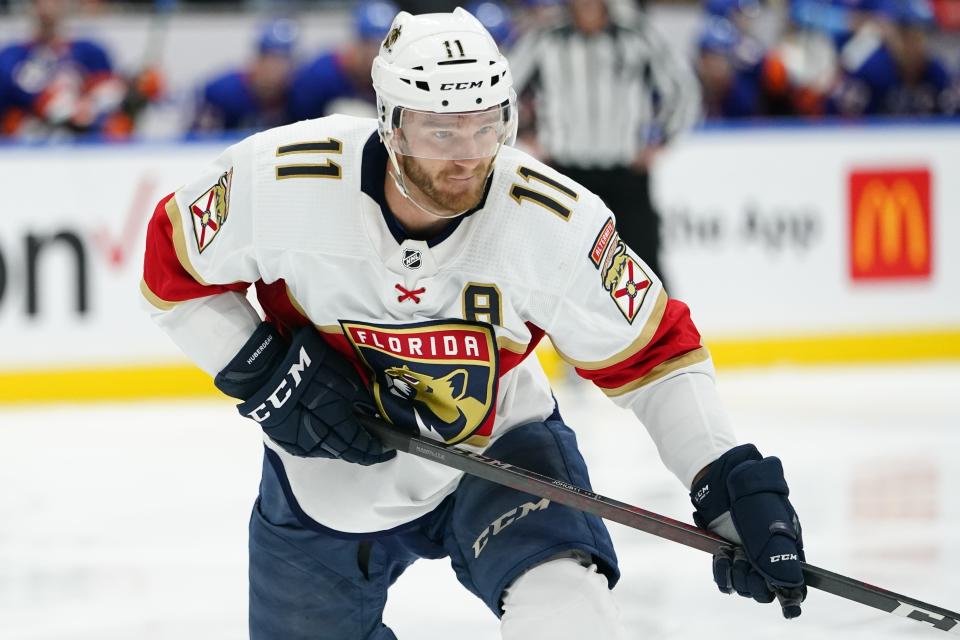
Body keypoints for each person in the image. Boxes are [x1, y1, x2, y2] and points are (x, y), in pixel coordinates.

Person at [141, 8, 806, 639]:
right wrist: (266, 373)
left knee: (567, 616)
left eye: (485, 126)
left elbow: (657, 355)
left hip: (501, 452)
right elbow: (169, 264)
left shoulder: (552, 221)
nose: (468, 156)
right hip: (323, 475)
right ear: (390, 124)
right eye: (441, 131)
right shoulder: (284, 179)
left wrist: (728, 480)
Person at [507, 0, 701, 285]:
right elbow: (504, 86)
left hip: (626, 171)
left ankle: (659, 330)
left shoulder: (636, 35)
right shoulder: (545, 37)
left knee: (644, 263)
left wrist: (661, 140)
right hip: (566, 173)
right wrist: (524, 134)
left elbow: (683, 90)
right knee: (560, 267)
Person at [0, 0, 132, 139]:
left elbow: (111, 97)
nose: (47, 8)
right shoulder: (12, 56)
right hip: (29, 147)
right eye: (39, 2)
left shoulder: (90, 51)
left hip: (86, 146)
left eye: (54, 2)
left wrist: (87, 107)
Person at [287, 0, 399, 121]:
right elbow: (295, 126)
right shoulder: (318, 76)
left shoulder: (397, 77)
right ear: (355, 42)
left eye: (384, 46)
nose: (374, 52)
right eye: (368, 43)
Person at [190, 18, 299, 134]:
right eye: (271, 58)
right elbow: (200, 143)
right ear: (257, 59)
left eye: (285, 59)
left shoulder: (299, 95)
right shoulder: (223, 91)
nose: (277, 67)